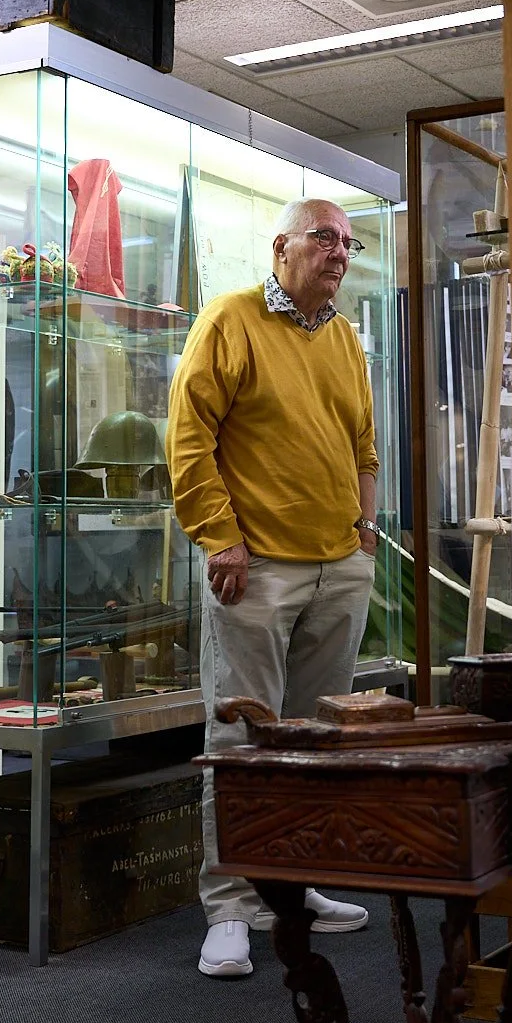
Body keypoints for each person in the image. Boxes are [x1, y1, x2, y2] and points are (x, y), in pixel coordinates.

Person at [167, 197, 381, 978]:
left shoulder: (347, 338)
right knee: (240, 739)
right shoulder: (231, 318)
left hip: (338, 566)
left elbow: (363, 443)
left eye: (350, 243)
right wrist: (218, 534)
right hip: (254, 568)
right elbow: (188, 434)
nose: (340, 253)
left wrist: (363, 533)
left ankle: (291, 887)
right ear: (282, 244)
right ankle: (230, 906)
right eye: (325, 237)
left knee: (311, 741)